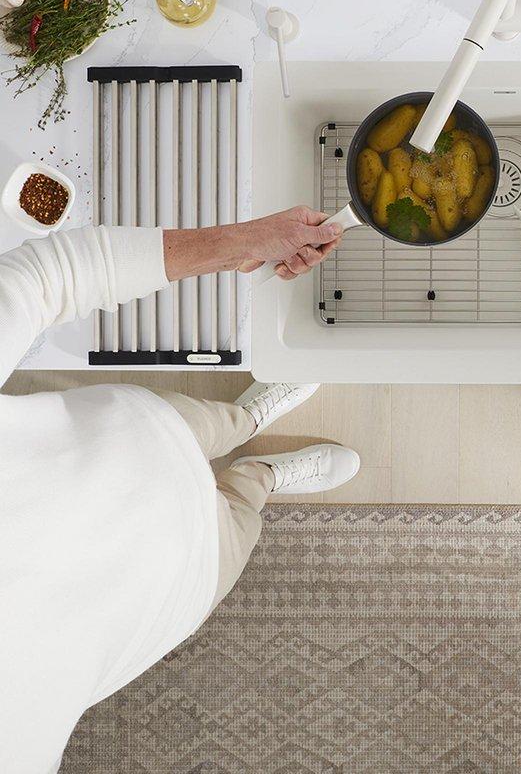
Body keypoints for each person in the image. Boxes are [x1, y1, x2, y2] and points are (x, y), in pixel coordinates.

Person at [0, 208, 358, 773]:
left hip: (134, 439)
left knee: (212, 425)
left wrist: (245, 240)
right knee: (244, 508)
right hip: (170, 591)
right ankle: (261, 476)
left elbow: (49, 276)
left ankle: (247, 422)